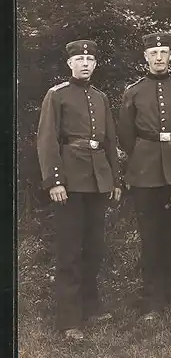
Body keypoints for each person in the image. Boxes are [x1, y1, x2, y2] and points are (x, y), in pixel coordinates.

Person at [37, 39, 121, 340]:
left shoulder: (100, 97)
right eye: (79, 59)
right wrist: (55, 180)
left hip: (98, 180)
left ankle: (90, 305)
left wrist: (114, 179)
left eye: (89, 60)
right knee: (70, 250)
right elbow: (47, 140)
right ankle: (69, 319)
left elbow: (110, 140)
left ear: (95, 64)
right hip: (70, 182)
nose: (84, 64)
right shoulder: (57, 95)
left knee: (95, 247)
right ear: (69, 64)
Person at [118, 32, 171, 318]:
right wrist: (143, 154)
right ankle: (152, 297)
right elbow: (125, 134)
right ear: (145, 57)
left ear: (170, 55)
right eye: (153, 53)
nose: (158, 57)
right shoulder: (134, 91)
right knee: (150, 236)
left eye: (163, 52)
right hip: (145, 172)